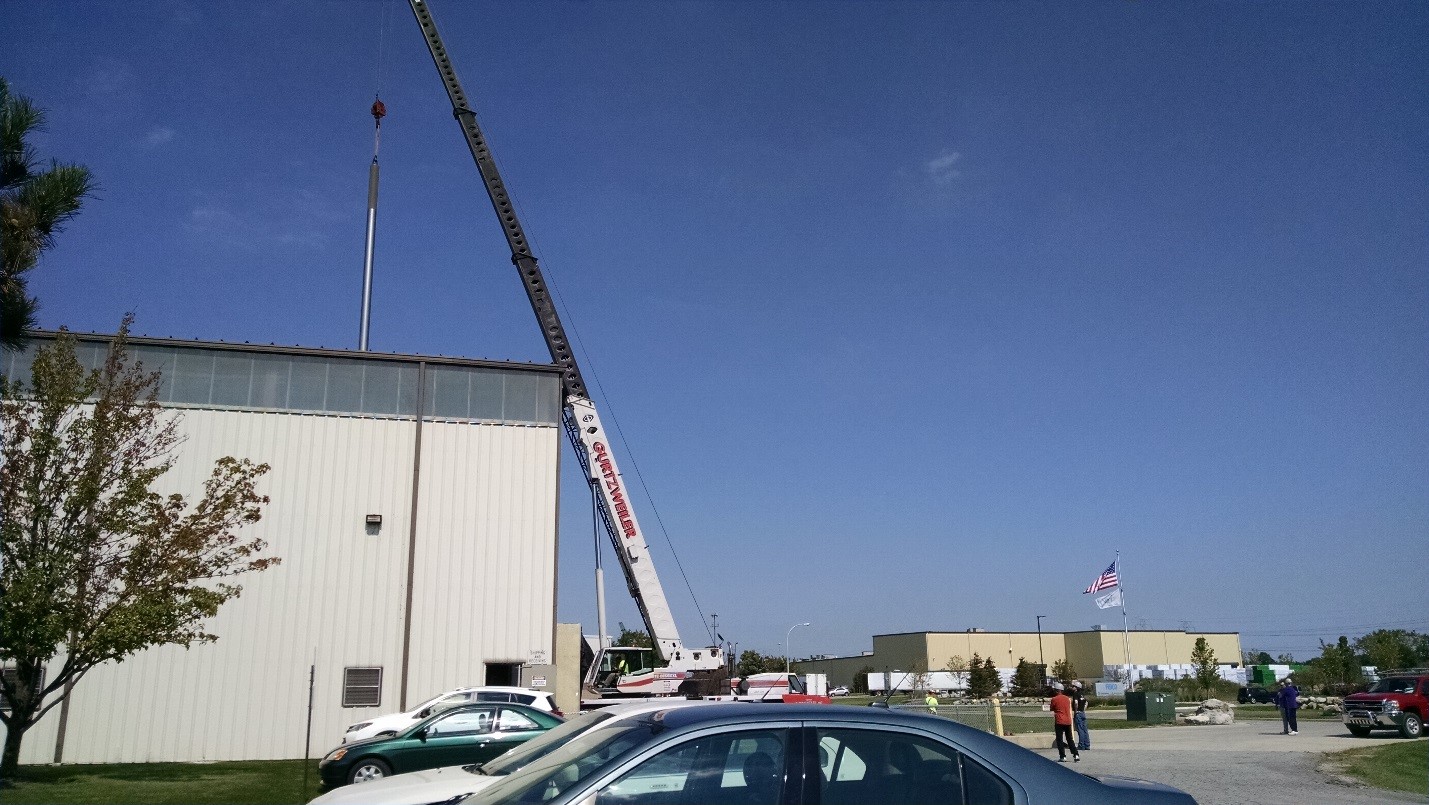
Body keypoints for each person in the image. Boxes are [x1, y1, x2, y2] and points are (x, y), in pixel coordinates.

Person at [1048, 682, 1080, 762]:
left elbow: (1052, 708)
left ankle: (1063, 756)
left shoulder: (1054, 699)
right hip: (1068, 720)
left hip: (1059, 720)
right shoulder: (1067, 699)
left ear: (1056, 690)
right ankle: (1076, 755)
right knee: (1069, 739)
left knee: (1059, 739)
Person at [1070, 681, 1091, 750]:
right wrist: (1083, 709)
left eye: (1073, 686)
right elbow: (1086, 703)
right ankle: (1087, 745)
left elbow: (1076, 703)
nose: (1072, 687)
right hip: (1082, 713)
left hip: (1078, 713)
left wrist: (1076, 711)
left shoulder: (1075, 694)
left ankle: (1081, 745)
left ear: (1076, 688)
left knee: (1080, 729)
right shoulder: (1082, 694)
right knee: (1085, 729)